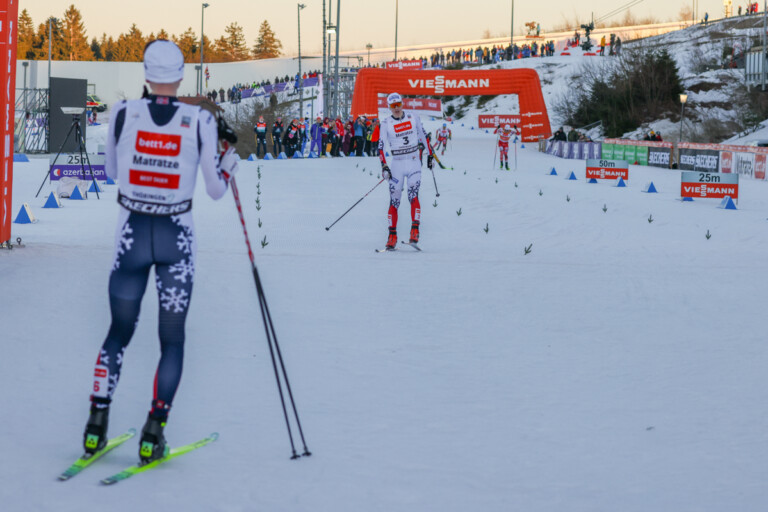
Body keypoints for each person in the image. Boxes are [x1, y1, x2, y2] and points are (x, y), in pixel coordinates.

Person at [82, 39, 239, 464]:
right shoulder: (198, 120)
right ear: (181, 76)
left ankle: (96, 425)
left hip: (132, 233)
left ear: (146, 75)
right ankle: (154, 432)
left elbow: (113, 172)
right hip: (176, 238)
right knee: (171, 341)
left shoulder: (122, 113)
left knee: (118, 333)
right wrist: (229, 162)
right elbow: (215, 189)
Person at [378, 92, 433, 250]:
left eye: (398, 105)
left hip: (414, 161)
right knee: (395, 200)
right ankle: (392, 236)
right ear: (389, 107)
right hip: (397, 164)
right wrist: (384, 165)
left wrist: (430, 155)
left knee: (412, 195)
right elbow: (380, 146)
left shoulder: (413, 117)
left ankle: (415, 231)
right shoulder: (386, 123)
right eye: (393, 106)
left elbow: (423, 136)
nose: (396, 108)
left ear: (402, 104)